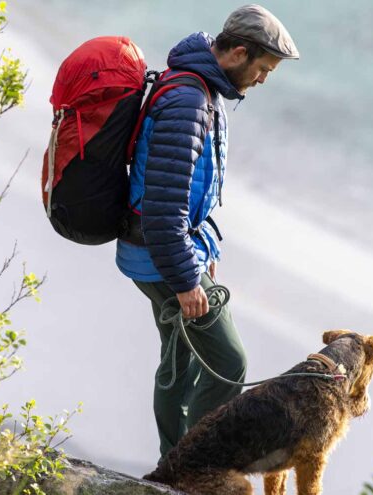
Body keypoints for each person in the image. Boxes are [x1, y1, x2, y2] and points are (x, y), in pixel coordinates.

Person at [116, 4, 299, 459]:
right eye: (263, 68)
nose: (263, 80)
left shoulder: (201, 91)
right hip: (161, 255)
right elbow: (163, 207)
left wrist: (205, 246)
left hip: (162, 250)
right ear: (238, 53)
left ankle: (175, 463)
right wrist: (185, 279)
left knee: (180, 363)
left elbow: (193, 189)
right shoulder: (189, 103)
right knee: (227, 361)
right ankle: (192, 462)